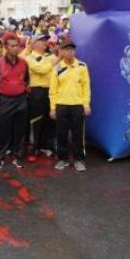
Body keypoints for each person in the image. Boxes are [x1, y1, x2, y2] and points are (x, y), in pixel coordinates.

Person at [49, 41, 91, 171]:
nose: (69, 52)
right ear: (61, 51)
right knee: (61, 134)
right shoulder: (57, 68)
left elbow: (86, 87)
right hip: (61, 106)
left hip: (77, 106)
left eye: (72, 49)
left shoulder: (82, 66)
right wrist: (53, 108)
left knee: (78, 134)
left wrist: (86, 105)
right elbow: (53, 90)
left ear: (75, 51)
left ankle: (79, 160)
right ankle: (63, 159)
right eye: (66, 50)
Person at [0, 32, 30, 169]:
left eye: (17, 46)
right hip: (5, 100)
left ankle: (18, 156)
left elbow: (26, 80)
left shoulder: (24, 63)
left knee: (20, 131)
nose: (16, 48)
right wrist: (2, 93)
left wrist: (22, 92)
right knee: (3, 131)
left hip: (21, 100)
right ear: (6, 47)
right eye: (12, 46)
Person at [25, 34, 58, 159]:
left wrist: (54, 59)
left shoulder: (50, 57)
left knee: (50, 119)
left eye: (46, 40)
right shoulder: (29, 58)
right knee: (36, 120)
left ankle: (46, 146)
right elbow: (40, 69)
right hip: (37, 91)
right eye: (42, 40)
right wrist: (53, 61)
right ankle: (34, 148)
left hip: (51, 91)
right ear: (34, 43)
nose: (45, 42)